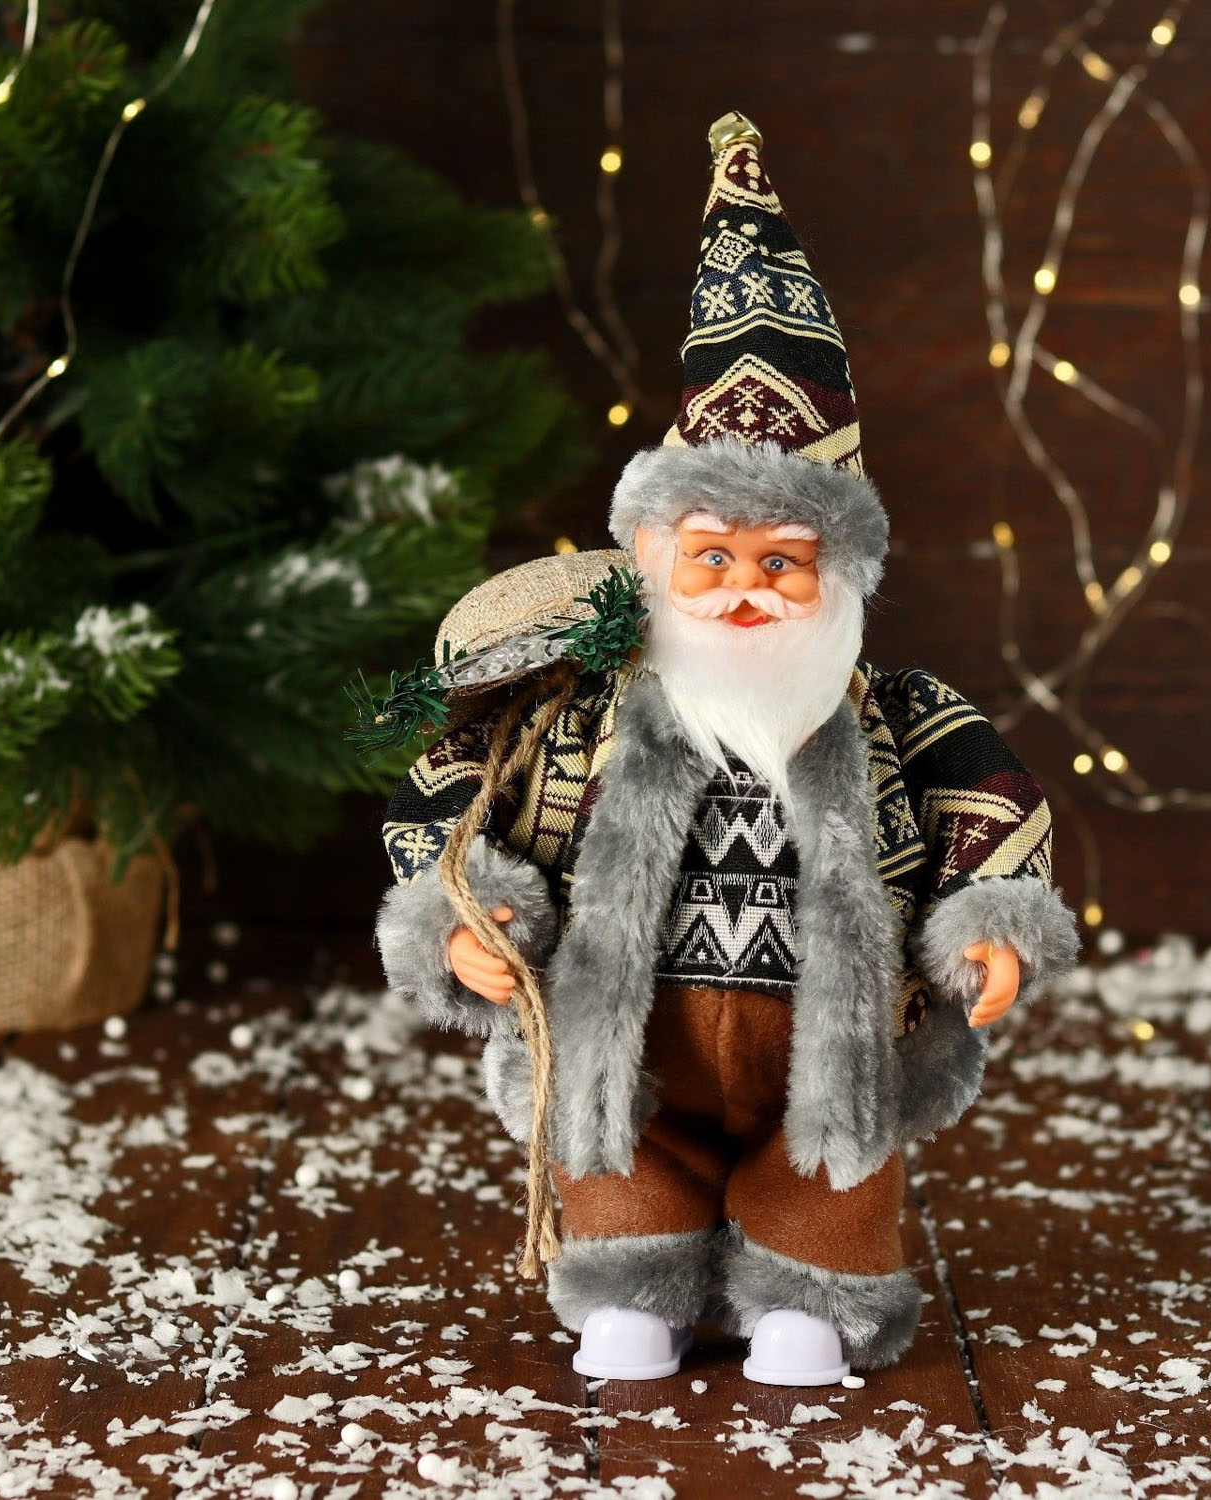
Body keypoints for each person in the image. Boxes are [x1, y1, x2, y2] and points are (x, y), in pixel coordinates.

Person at [376, 112, 1079, 1386]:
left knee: (837, 1160)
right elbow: (462, 795)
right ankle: (629, 1285)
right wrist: (469, 919)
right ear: (656, 559)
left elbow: (987, 803)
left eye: (782, 563)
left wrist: (991, 926)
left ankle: (814, 1293)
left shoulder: (899, 713)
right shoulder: (583, 709)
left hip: (834, 1031)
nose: (746, 589)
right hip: (627, 1027)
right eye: (712, 558)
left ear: (839, 575)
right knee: (615, 1147)